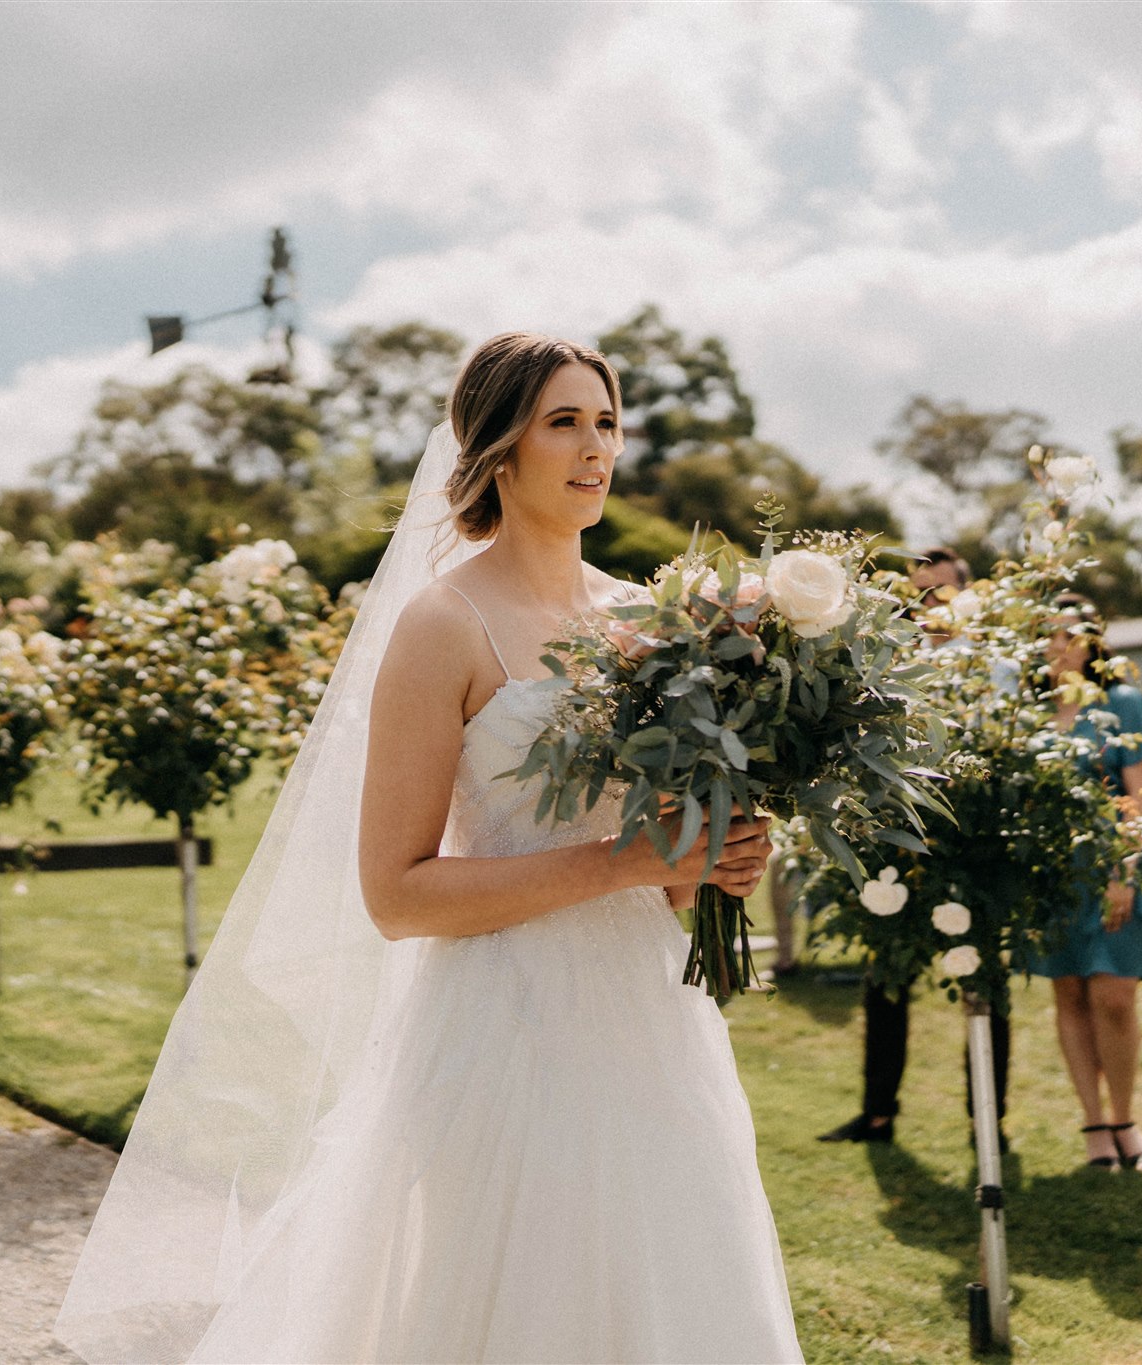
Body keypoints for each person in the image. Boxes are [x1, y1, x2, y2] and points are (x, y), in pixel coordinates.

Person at [57, 333, 802, 1361]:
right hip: (504, 1032)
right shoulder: (441, 625)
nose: (595, 450)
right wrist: (633, 863)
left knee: (668, 1294)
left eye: (606, 423)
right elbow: (396, 897)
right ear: (497, 445)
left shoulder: (652, 620)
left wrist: (712, 863)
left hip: (652, 1025)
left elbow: (668, 873)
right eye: (563, 423)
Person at [818, 547, 1012, 1152]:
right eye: (918, 593)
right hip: (894, 838)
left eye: (941, 592)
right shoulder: (886, 663)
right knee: (886, 978)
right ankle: (877, 1116)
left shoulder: (995, 666)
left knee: (984, 982)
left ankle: (989, 1124)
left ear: (968, 595)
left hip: (973, 841)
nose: (928, 606)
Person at [1032, 593, 1142, 1172]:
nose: (1059, 645)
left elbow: (1140, 800)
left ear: (1094, 640)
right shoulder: (1029, 714)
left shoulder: (1124, 702)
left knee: (1113, 997)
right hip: (1052, 875)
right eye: (1050, 634)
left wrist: (1123, 871)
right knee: (1068, 994)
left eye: (1071, 634)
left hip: (1117, 866)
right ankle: (1093, 1125)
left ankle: (1124, 1119)